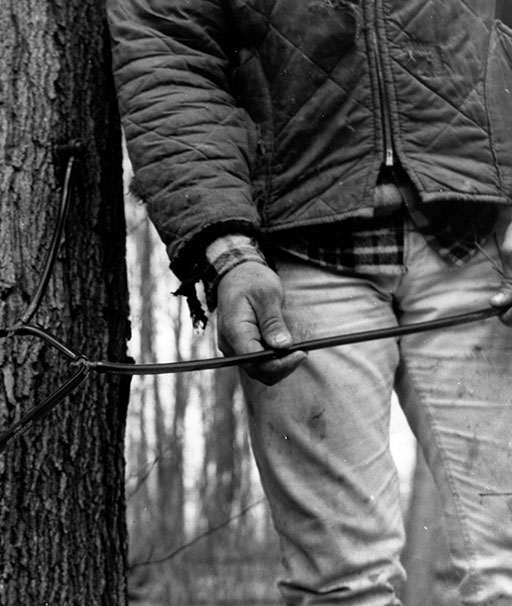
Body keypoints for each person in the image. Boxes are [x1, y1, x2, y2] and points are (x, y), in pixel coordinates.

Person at [107, 1, 512, 604]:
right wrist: (229, 253)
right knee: (344, 585)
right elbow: (167, 53)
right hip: (298, 250)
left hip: (483, 244)